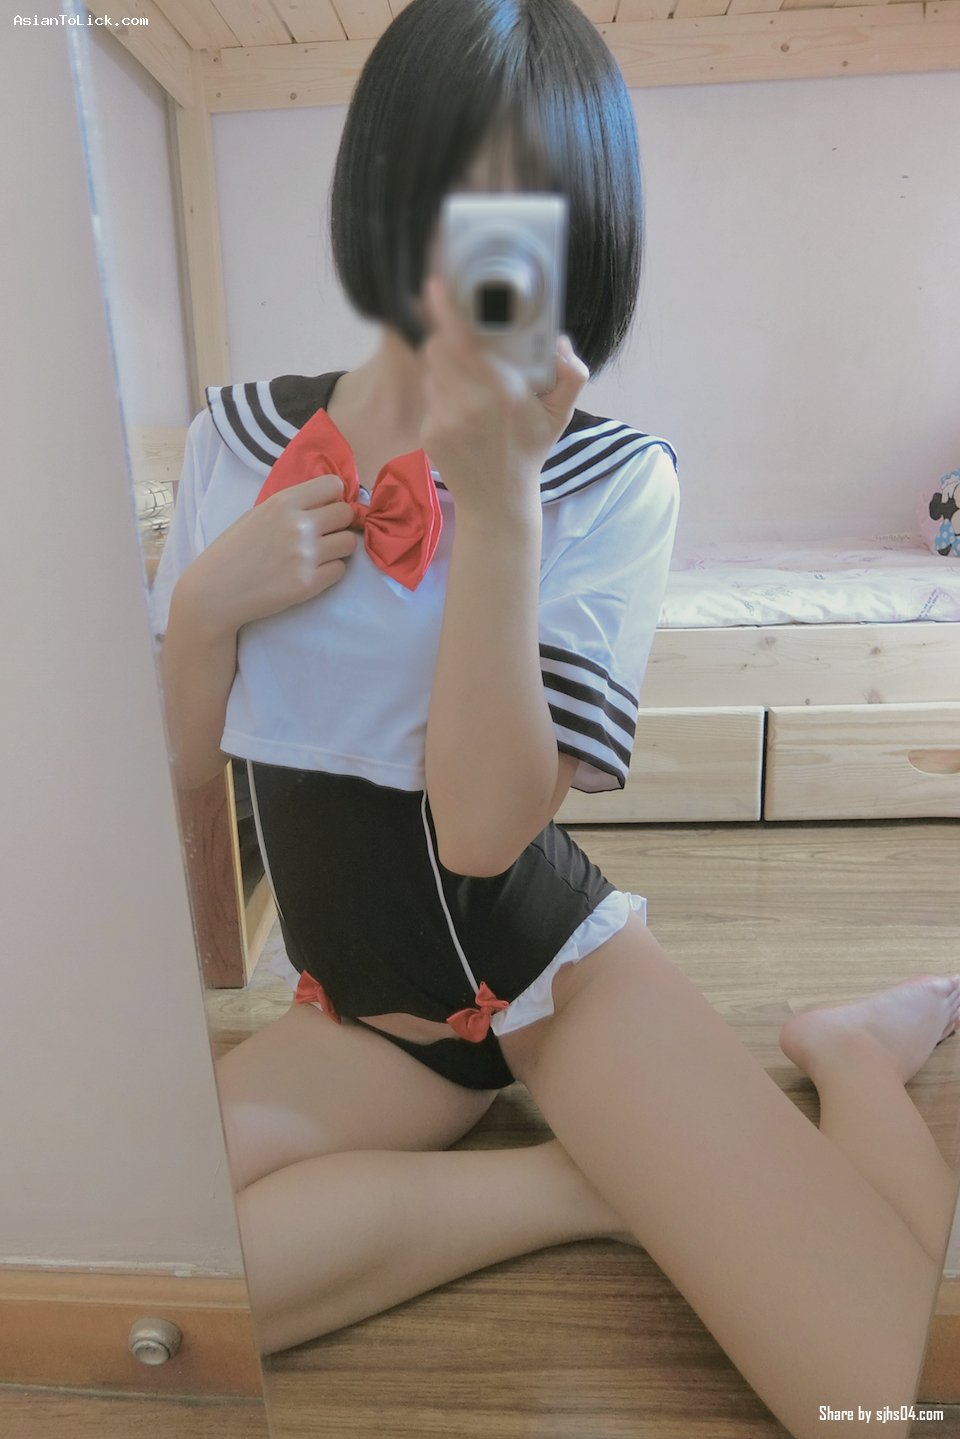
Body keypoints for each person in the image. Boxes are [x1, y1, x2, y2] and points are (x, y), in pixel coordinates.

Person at [150, 2, 959, 1434]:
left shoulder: (611, 476)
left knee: (878, 1399)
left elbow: (479, 833)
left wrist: (502, 501)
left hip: (555, 980)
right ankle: (585, 1184)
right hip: (370, 1024)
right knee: (161, 1279)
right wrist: (206, 608)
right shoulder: (231, 441)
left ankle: (845, 1053)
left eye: (530, 208)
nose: (473, 243)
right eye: (439, 185)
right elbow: (175, 761)